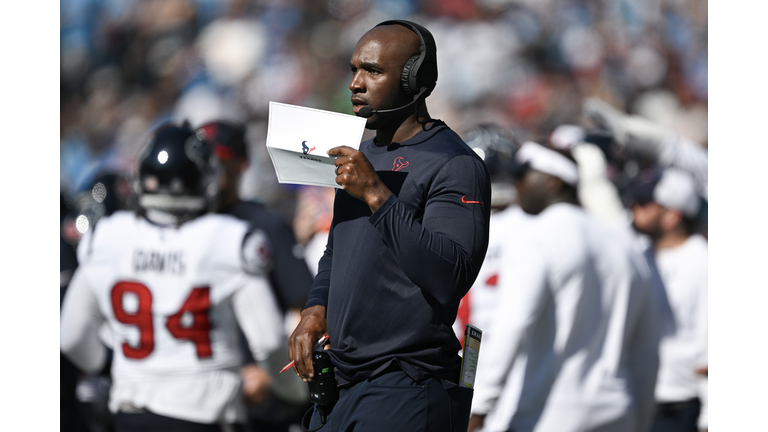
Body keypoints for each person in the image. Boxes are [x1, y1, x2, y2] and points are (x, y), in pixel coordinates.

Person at [287, 19, 492, 432]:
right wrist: (314, 310)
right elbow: (336, 251)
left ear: (414, 79)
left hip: (407, 383)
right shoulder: (362, 152)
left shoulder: (456, 164)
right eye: (354, 70)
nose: (355, 84)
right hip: (344, 381)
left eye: (373, 71)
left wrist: (377, 195)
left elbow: (449, 274)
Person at [60, 122, 306, 432]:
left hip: (131, 413)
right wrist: (292, 392)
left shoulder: (109, 237)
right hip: (205, 412)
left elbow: (70, 336)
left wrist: (115, 366)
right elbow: (269, 342)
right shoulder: (228, 239)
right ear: (206, 181)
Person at [468, 141, 660, 432]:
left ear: (554, 180)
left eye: (523, 176)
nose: (515, 185)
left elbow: (513, 324)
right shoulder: (624, 245)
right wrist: (641, 421)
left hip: (548, 416)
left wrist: (479, 405)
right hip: (617, 414)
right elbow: (647, 351)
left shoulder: (539, 236)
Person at [195, 119, 314, 431]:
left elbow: (304, 311)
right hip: (199, 398)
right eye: (200, 162)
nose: (209, 171)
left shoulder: (266, 226)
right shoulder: (179, 229)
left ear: (241, 164)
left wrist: (273, 372)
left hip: (264, 403)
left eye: (218, 161)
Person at [629, 168, 708, 432]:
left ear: (672, 215)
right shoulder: (638, 256)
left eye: (645, 204)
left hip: (680, 409)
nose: (635, 209)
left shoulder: (703, 261)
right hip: (636, 402)